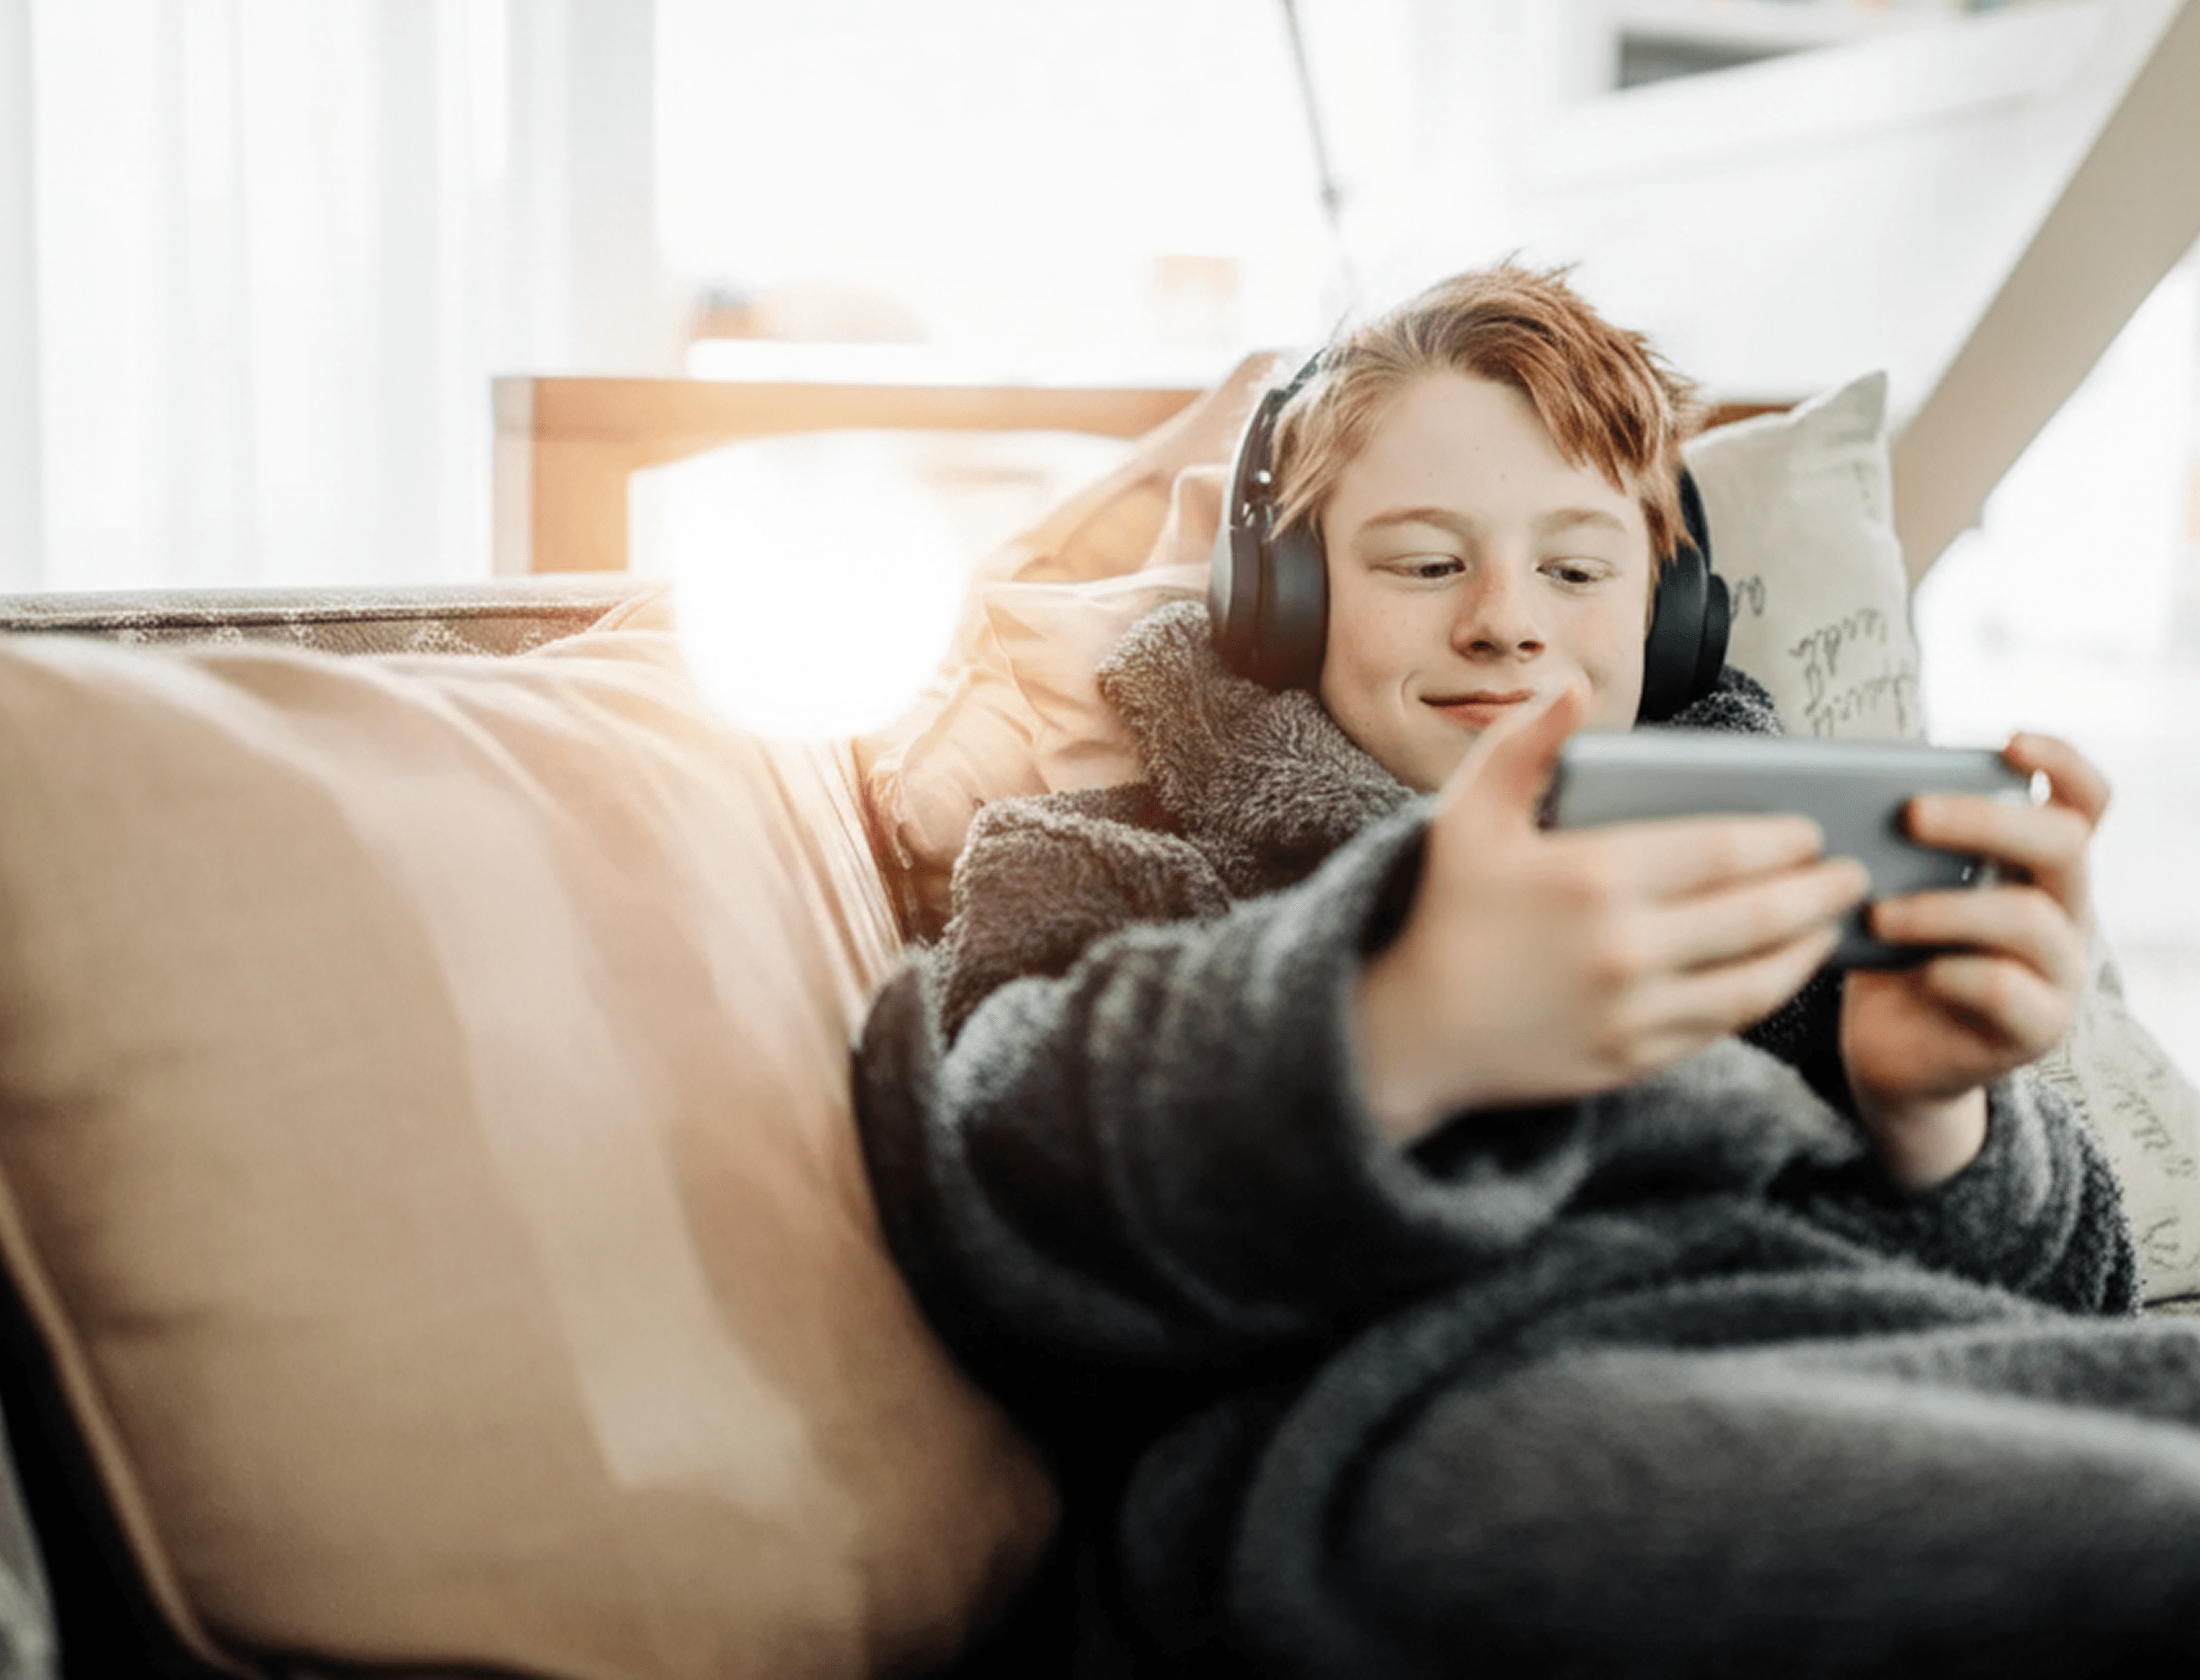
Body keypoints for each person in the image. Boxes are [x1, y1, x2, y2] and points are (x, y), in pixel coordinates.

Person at [851, 263, 2200, 1678]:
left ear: (1669, 619)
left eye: (1574, 567)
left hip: (1861, 1373)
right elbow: (1005, 1156)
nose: (1505, 620)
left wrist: (1937, 1120)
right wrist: (1400, 1021)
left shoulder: (1779, 889)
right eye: (1426, 563)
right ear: (1284, 598)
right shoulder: (1106, 864)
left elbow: (2055, 1319)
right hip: (1415, 1432)